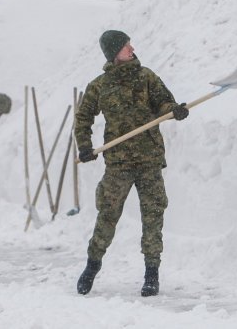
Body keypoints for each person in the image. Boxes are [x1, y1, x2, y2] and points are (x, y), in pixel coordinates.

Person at [74, 30, 189, 297]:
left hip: (149, 159)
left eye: (130, 44)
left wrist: (174, 110)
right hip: (119, 163)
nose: (132, 48)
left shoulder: (146, 76)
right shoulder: (100, 85)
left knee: (153, 216)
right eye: (126, 46)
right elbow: (83, 119)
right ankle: (91, 267)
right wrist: (85, 146)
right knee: (108, 215)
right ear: (114, 52)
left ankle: (152, 274)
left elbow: (163, 102)